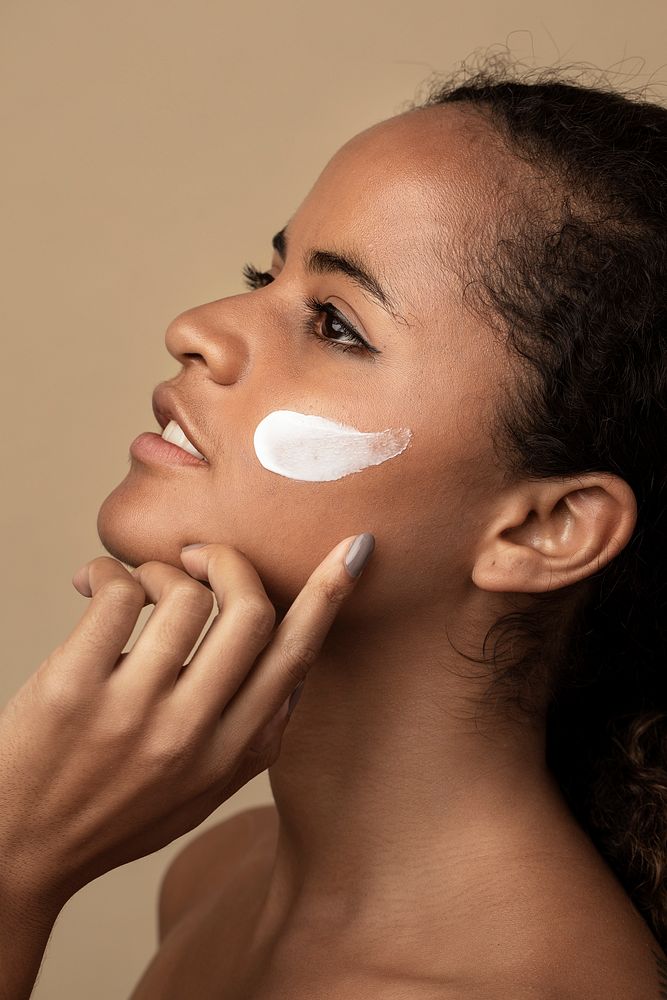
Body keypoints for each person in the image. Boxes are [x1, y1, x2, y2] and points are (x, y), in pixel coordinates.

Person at [2, 56, 666, 999]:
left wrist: (12, 858)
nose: (198, 326)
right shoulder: (213, 879)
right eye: (260, 274)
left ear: (545, 528)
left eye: (335, 325)